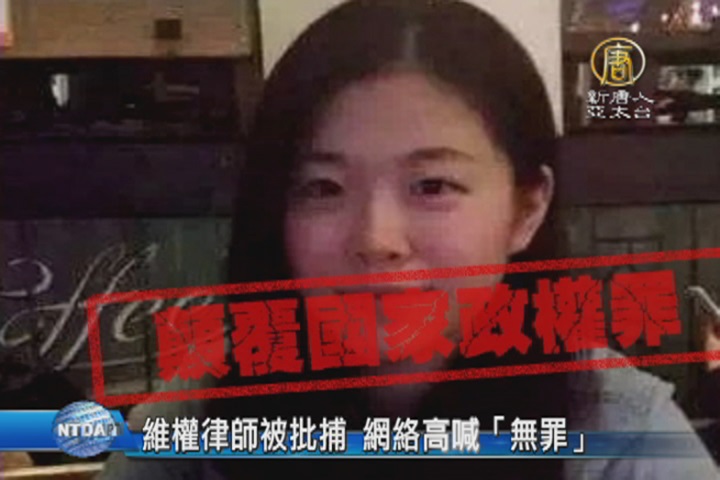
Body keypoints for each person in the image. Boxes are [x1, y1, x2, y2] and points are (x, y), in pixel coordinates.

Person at [97, 1, 719, 479]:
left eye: (432, 185)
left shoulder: (623, 440)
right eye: (322, 187)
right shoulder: (192, 429)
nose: (377, 239)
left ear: (526, 209)